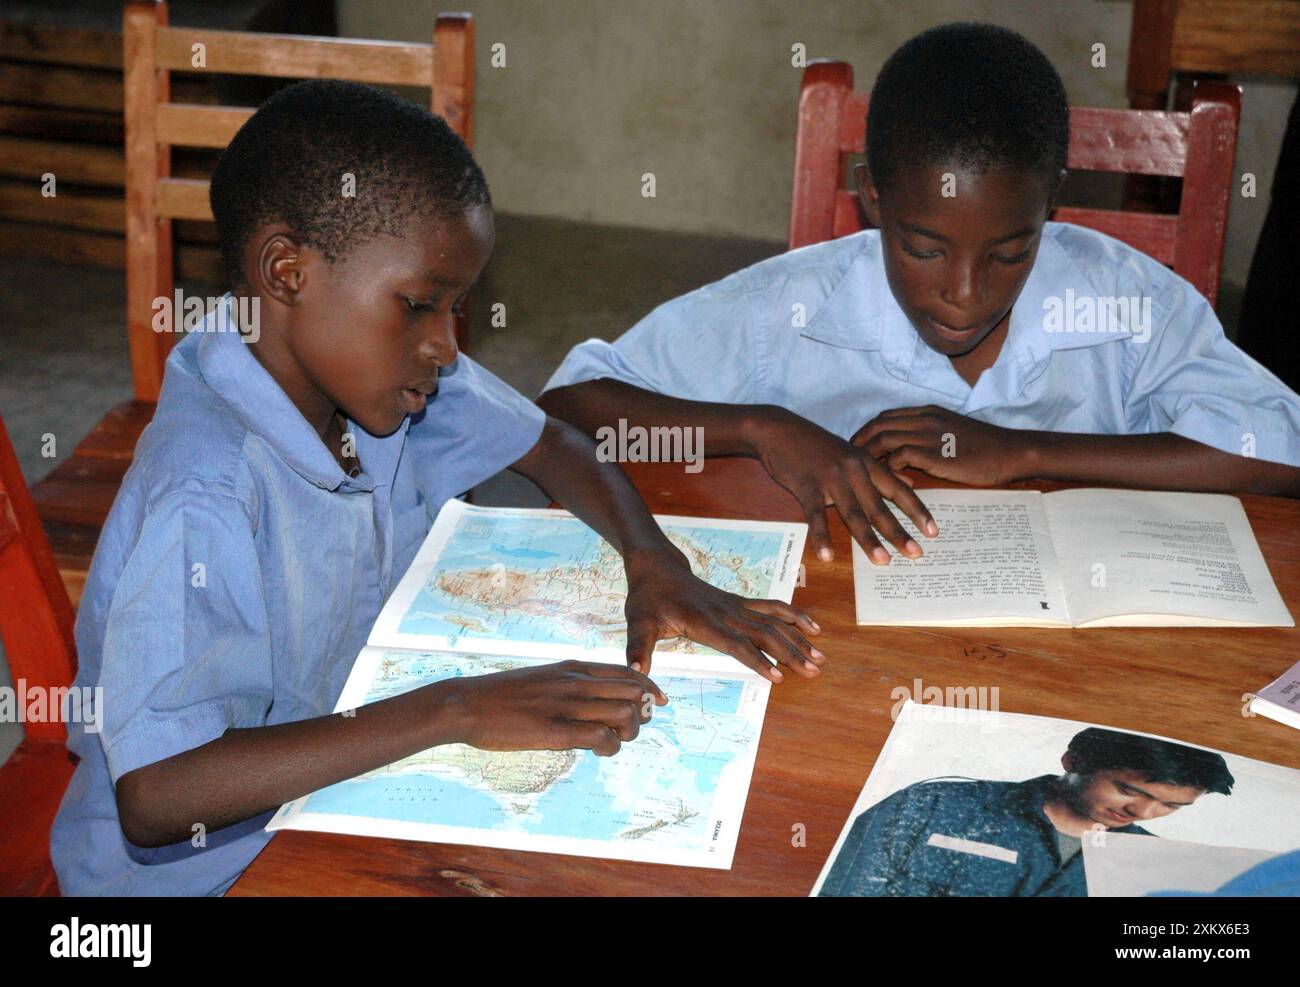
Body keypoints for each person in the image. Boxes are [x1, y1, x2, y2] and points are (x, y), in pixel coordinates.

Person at [50, 80, 823, 896]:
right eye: (420, 305)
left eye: (455, 309)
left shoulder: (371, 379)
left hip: (338, 789)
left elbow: (553, 442)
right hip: (209, 876)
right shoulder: (204, 491)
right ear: (286, 272)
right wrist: (452, 711)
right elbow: (156, 794)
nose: (446, 347)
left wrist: (650, 558)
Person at [539, 23, 1300, 569]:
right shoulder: (798, 306)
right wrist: (762, 427)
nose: (964, 295)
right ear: (872, 198)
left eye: (1011, 250)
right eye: (923, 248)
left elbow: (1277, 454)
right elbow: (568, 412)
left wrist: (1025, 452)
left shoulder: (1123, 300)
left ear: (1051, 206)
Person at [818, 727, 1235, 896]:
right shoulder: (935, 805)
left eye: (1171, 806)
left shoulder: (1159, 870)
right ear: (1073, 761)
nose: (1143, 812)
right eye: (1127, 789)